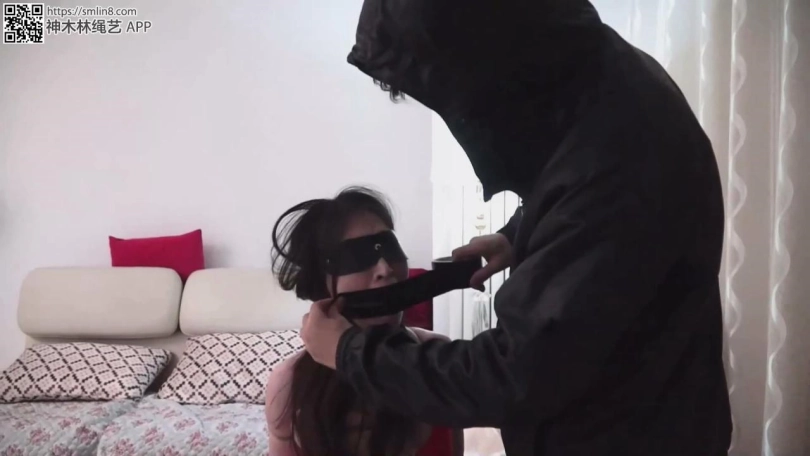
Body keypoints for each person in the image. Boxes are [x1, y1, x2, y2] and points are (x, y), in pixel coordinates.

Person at [299, 1, 733, 455]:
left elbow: (514, 375)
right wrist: (519, 233)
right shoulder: (603, 84)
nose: (384, 270)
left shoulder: (620, 150)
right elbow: (587, 206)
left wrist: (350, 354)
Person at [265, 186, 464, 456]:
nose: (385, 269)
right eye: (358, 256)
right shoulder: (289, 386)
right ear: (321, 284)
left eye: (389, 247)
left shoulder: (439, 359)